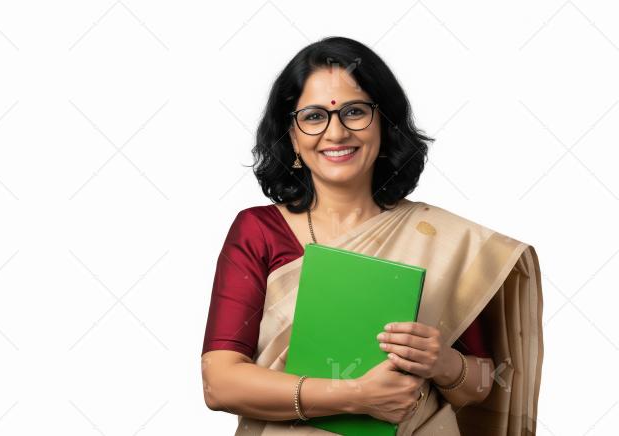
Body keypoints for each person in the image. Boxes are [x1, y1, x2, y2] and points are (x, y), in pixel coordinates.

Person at [200, 36, 543, 436]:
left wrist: (444, 364)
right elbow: (218, 382)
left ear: (384, 124)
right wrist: (355, 395)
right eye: (314, 116)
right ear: (292, 135)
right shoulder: (259, 231)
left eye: (355, 112)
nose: (336, 132)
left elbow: (488, 383)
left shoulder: (446, 242)